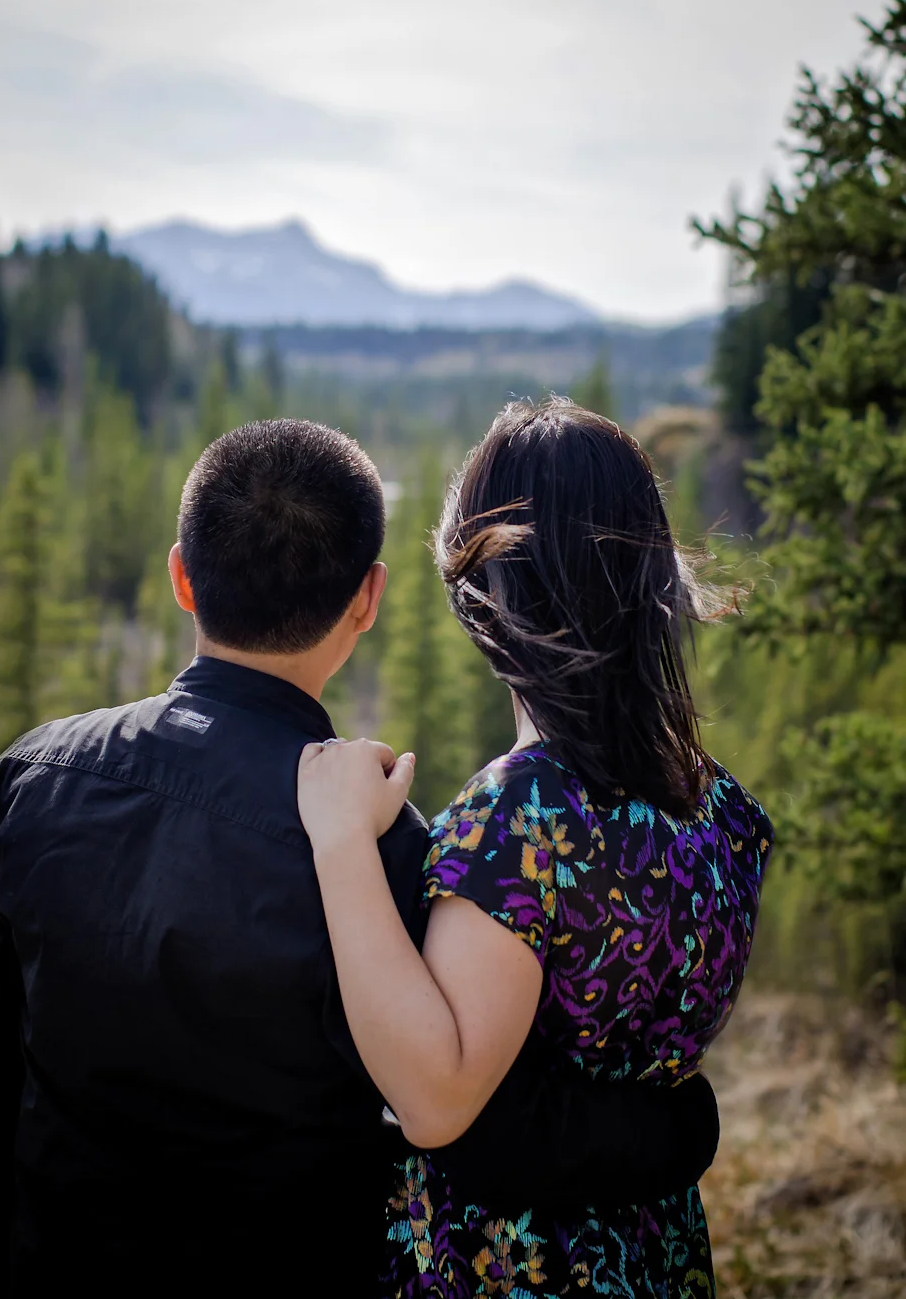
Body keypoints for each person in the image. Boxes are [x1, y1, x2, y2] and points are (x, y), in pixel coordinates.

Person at [0, 418, 719, 1299]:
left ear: (181, 576)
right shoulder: (381, 846)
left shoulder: (32, 777)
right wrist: (681, 1125)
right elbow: (477, 1122)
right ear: (367, 599)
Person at [298, 400, 774, 1298]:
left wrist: (340, 842)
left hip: (512, 1269)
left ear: (486, 588)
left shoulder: (520, 817)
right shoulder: (726, 813)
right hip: (655, 1257)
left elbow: (436, 1099)